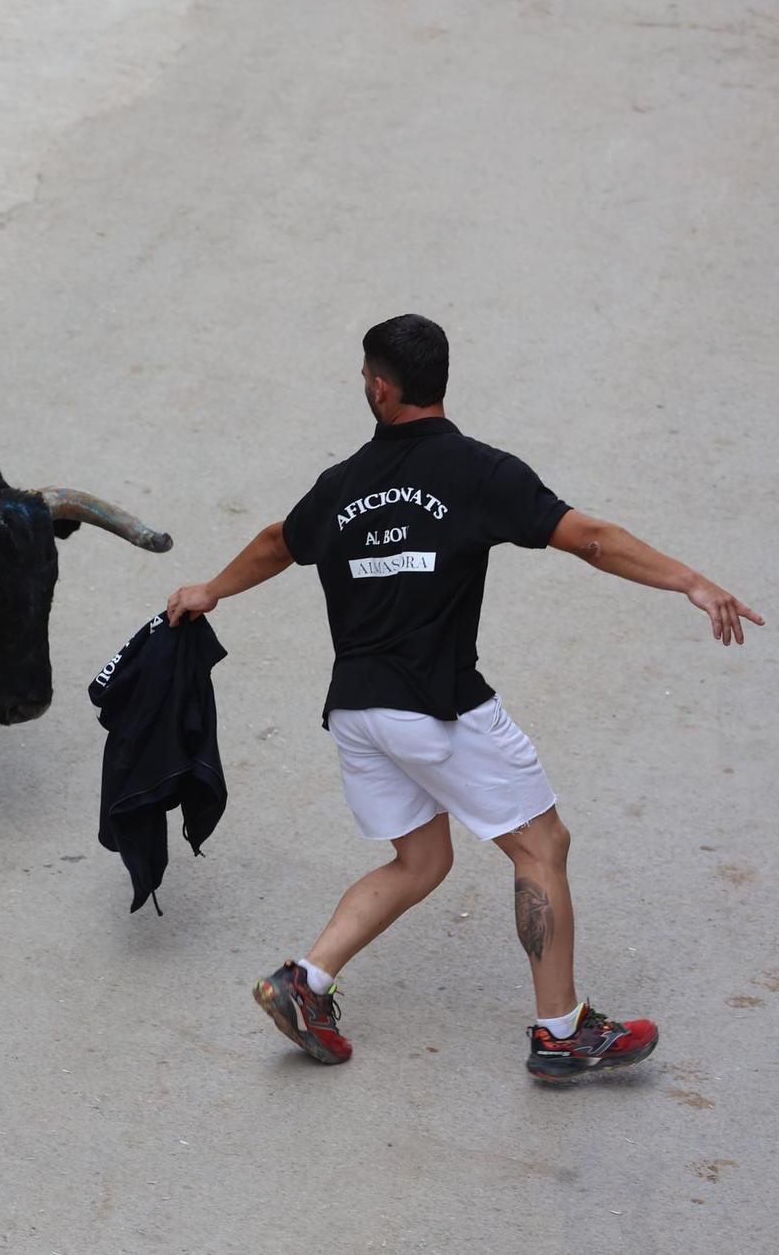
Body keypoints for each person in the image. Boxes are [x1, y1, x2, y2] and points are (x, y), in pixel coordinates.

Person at [165, 314, 762, 1081]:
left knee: (420, 859)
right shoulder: (481, 472)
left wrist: (209, 589)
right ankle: (561, 1032)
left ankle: (303, 983)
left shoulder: (341, 483)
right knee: (541, 846)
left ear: (381, 388)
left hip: (357, 711)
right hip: (435, 707)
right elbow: (591, 538)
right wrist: (691, 579)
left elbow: (280, 540)